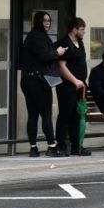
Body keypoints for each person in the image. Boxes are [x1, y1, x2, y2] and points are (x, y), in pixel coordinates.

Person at [20, 10, 67, 158]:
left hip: (28, 80)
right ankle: (52, 147)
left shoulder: (31, 36)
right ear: (39, 21)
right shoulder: (38, 37)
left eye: (49, 21)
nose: (47, 23)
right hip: (39, 82)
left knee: (32, 115)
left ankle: (33, 148)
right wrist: (58, 52)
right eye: (45, 20)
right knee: (46, 114)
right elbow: (45, 56)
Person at [54, 17, 88, 157]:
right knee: (65, 115)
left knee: (77, 115)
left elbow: (81, 63)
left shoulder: (80, 42)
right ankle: (61, 145)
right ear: (74, 29)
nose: (84, 32)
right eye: (81, 29)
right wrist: (75, 80)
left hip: (80, 85)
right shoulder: (65, 43)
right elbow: (62, 67)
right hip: (67, 86)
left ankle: (76, 145)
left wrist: (84, 79)